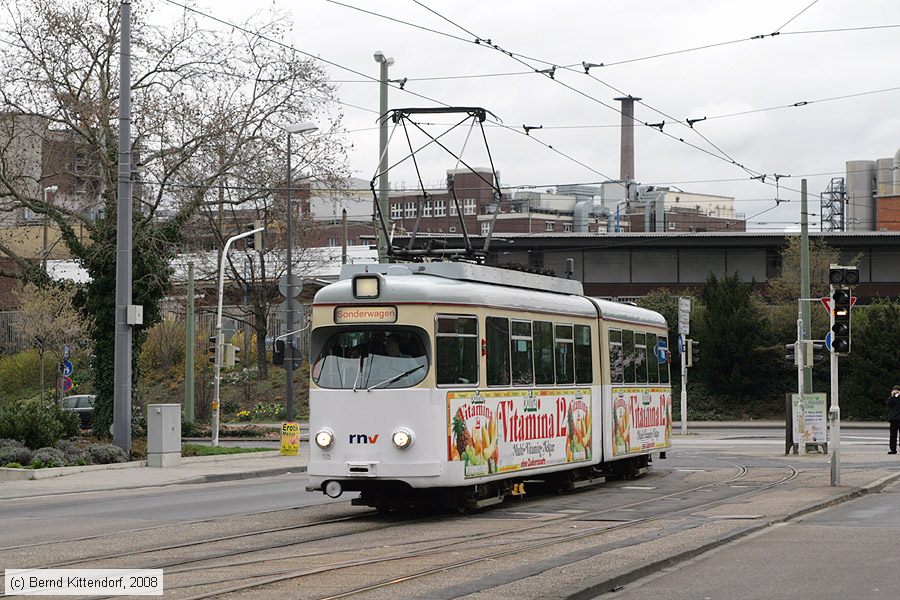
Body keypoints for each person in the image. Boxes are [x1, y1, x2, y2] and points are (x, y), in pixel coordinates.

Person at [888, 385, 900, 454]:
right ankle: (893, 449)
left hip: (897, 418)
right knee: (893, 435)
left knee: (894, 435)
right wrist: (892, 396)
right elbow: (889, 404)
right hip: (894, 419)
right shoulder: (893, 398)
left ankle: (893, 449)